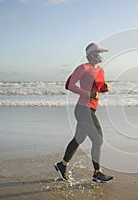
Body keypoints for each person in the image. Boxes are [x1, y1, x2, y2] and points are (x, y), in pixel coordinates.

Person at [54, 43, 113, 183]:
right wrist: (88, 93)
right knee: (98, 139)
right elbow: (70, 85)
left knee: (78, 139)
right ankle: (97, 173)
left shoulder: (101, 70)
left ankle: (62, 165)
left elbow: (97, 89)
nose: (101, 55)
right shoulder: (83, 68)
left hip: (91, 108)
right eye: (99, 52)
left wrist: (104, 88)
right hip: (83, 108)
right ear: (92, 54)